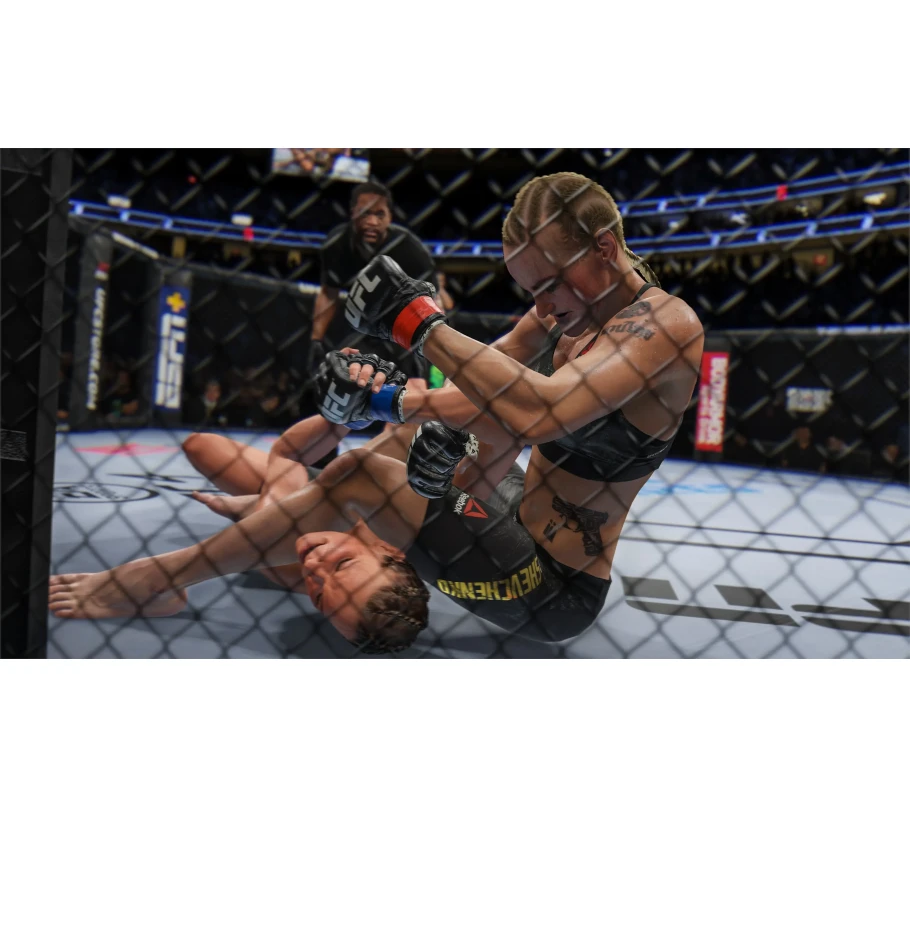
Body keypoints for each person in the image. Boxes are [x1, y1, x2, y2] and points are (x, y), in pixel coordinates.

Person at [50, 173, 703, 652]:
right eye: (532, 290)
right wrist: (386, 400)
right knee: (410, 440)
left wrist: (415, 322)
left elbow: (542, 412)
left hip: (551, 584)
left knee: (362, 474)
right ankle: (299, 514)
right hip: (507, 508)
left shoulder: (666, 328)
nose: (544, 304)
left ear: (604, 247)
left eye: (551, 283)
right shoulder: (566, 311)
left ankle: (162, 576)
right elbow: (487, 378)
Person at [308, 181, 441, 381]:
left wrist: (425, 345)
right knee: (347, 379)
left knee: (413, 387)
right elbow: (329, 293)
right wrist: (316, 340)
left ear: (390, 217)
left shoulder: (409, 249)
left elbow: (434, 301)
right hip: (364, 324)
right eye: (365, 213)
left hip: (405, 324)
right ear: (353, 213)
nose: (372, 221)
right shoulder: (338, 243)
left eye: (380, 215)